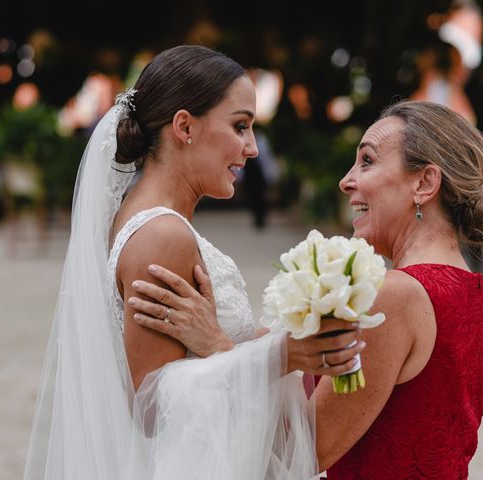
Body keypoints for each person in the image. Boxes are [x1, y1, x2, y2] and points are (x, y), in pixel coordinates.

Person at [23, 45, 361, 480]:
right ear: (184, 126)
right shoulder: (162, 237)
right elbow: (149, 407)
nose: (253, 148)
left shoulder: (148, 220)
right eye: (240, 126)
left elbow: (195, 357)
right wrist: (281, 353)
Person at [131, 100, 483, 478]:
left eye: (368, 161)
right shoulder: (472, 291)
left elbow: (299, 452)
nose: (346, 180)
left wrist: (217, 347)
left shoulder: (395, 296)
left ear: (424, 183)